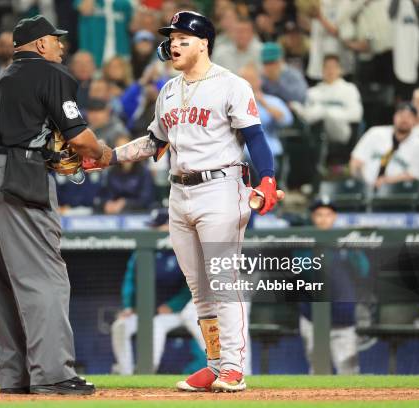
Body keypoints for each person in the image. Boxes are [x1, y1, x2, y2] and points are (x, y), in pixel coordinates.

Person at [86, 10, 280, 392]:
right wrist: (111, 155)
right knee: (199, 290)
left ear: (203, 43)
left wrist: (268, 179)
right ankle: (213, 364)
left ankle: (234, 367)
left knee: (223, 280)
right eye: (172, 38)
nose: (174, 44)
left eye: (183, 38)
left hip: (221, 187)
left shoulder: (231, 84)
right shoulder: (169, 90)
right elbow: (155, 142)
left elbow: (256, 137)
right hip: (179, 191)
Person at [0, 15, 112, 395]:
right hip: (18, 176)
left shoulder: (5, 76)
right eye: (55, 39)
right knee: (44, 277)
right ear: (40, 45)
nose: (61, 46)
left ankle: (15, 377)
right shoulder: (51, 73)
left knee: (0, 282)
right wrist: (103, 153)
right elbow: (80, 140)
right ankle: (53, 375)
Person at [111, 208, 206, 375]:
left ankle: (146, 372)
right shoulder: (142, 252)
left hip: (177, 311)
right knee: (120, 326)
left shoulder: (185, 249)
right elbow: (130, 282)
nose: (153, 230)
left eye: (158, 226)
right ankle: (126, 373)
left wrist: (173, 305)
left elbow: (193, 285)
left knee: (159, 325)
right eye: (152, 226)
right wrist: (128, 306)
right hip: (146, 310)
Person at [298, 198, 367, 374]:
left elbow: (363, 271)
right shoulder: (303, 241)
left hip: (342, 316)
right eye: (319, 214)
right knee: (318, 371)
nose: (323, 219)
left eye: (328, 214)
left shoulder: (346, 240)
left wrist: (351, 249)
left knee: (349, 372)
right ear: (313, 217)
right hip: (312, 315)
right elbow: (304, 270)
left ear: (334, 217)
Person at [350, 102, 419, 188]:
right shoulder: (375, 133)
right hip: (365, 187)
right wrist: (362, 184)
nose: (404, 119)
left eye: (409, 116)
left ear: (415, 121)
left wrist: (386, 182)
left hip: (398, 193)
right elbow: (356, 161)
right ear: (394, 117)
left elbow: (415, 175)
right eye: (401, 115)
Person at [99, 135, 156, 214]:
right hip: (115, 214)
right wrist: (107, 203)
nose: (123, 153)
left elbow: (146, 199)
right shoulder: (112, 172)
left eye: (125, 148)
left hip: (139, 213)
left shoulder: (143, 171)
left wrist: (125, 203)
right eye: (119, 149)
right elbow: (106, 194)